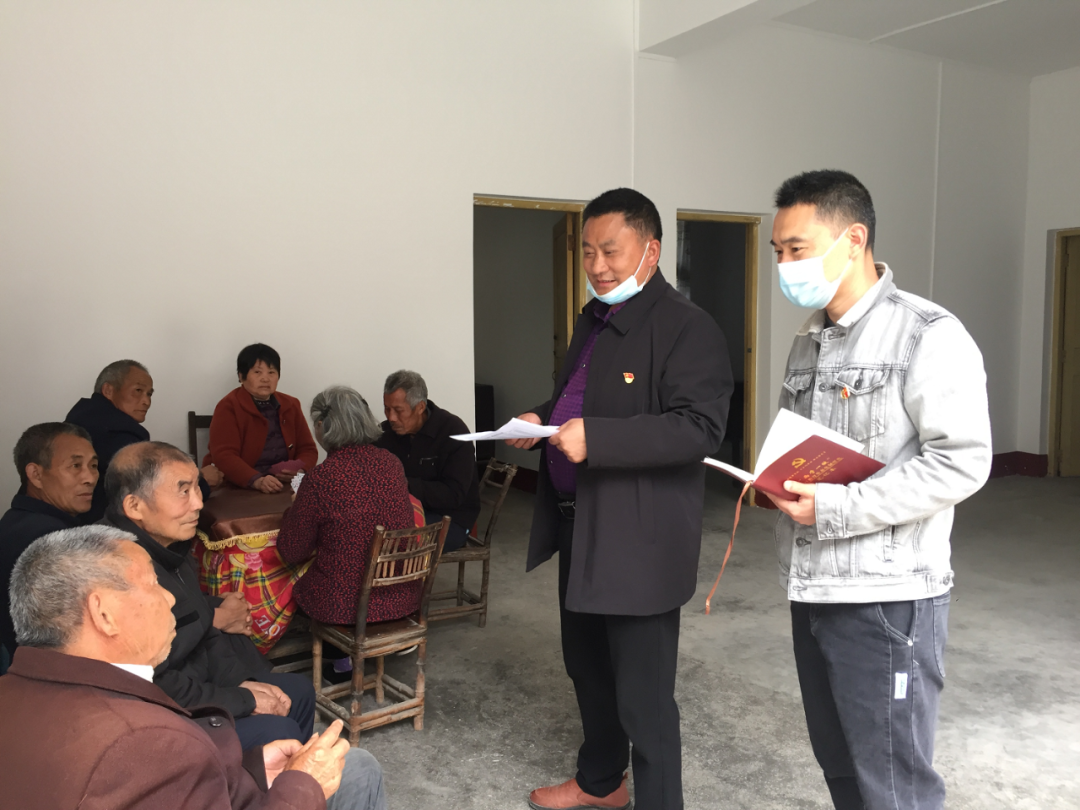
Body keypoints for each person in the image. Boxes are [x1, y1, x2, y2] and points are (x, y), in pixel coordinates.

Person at [767, 170, 992, 810]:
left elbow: (962, 462)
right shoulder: (809, 339)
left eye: (797, 248)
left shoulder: (927, 333)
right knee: (841, 768)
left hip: (886, 599)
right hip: (813, 586)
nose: (784, 266)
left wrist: (836, 507)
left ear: (854, 239)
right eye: (778, 251)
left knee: (893, 783)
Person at [510, 188, 733, 810]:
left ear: (651, 251)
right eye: (588, 252)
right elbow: (587, 399)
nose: (598, 266)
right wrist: (544, 417)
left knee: (644, 697)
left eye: (611, 251)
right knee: (587, 667)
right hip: (579, 526)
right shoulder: (595, 318)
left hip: (638, 539)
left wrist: (599, 440)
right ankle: (601, 783)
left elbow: (699, 428)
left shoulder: (688, 328)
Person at [0, 525, 388, 810]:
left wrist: (250, 770)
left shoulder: (14, 692)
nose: (169, 599)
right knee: (358, 767)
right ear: (103, 614)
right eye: (153, 585)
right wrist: (304, 786)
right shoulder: (142, 739)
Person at [102, 441, 317, 751]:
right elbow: (152, 684)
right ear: (135, 506)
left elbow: (206, 633)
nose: (198, 503)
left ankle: (288, 774)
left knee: (297, 691)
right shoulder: (119, 570)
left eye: (196, 488)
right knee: (277, 727)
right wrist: (241, 699)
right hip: (162, 715)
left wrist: (240, 682)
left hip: (199, 681)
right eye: (183, 491)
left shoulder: (171, 548)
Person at [279, 386, 421, 628]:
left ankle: (335, 650)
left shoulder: (321, 478)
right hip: (402, 598)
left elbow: (292, 551)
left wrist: (293, 511)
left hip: (345, 607)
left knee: (296, 585)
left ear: (322, 426)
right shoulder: (392, 463)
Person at [67, 360, 221, 522]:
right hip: (103, 524)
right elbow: (155, 487)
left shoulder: (84, 415)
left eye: (149, 394)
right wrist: (201, 481)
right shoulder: (116, 431)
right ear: (108, 390)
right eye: (138, 391)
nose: (146, 401)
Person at [0, 423, 98, 672]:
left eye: (93, 465)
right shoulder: (49, 538)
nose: (89, 478)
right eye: (75, 466)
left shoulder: (15, 519)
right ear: (36, 475)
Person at [376, 370, 480, 553]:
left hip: (450, 519)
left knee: (396, 542)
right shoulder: (385, 434)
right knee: (362, 531)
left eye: (398, 411)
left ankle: (406, 573)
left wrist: (403, 485)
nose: (391, 417)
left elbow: (454, 494)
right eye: (387, 409)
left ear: (420, 407)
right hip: (403, 512)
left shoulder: (453, 431)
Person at [205, 343, 318, 492]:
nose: (265, 379)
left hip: (284, 485)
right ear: (241, 376)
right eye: (257, 372)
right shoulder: (228, 406)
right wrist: (256, 480)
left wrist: (300, 471)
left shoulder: (291, 404)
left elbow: (308, 449)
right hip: (240, 486)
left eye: (271, 372)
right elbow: (224, 456)